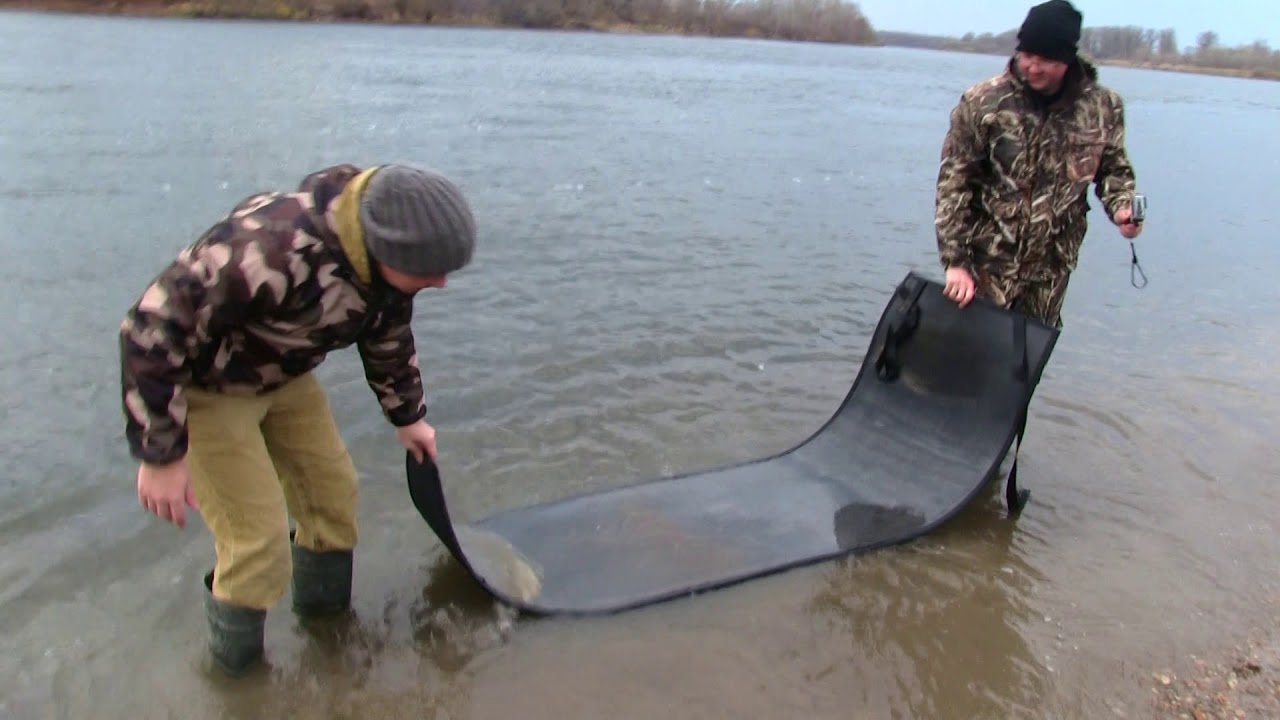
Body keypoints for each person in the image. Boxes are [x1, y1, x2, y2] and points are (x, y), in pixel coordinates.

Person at [118, 162, 477, 677]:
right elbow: (146, 332)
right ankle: (238, 686)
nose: (440, 282)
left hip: (284, 379)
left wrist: (408, 417)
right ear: (386, 248)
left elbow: (387, 337)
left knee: (333, 499)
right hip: (208, 392)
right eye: (429, 269)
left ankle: (327, 637)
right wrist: (160, 455)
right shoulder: (265, 249)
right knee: (256, 544)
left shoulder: (387, 270)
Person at [934, 0, 1142, 328]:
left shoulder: (1103, 107)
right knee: (968, 365)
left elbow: (1112, 168)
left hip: (1050, 272)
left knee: (1022, 370)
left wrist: (1122, 209)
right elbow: (954, 182)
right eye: (1027, 55)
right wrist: (955, 262)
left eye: (1045, 60)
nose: (1033, 67)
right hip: (985, 266)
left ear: (1067, 59)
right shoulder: (983, 102)